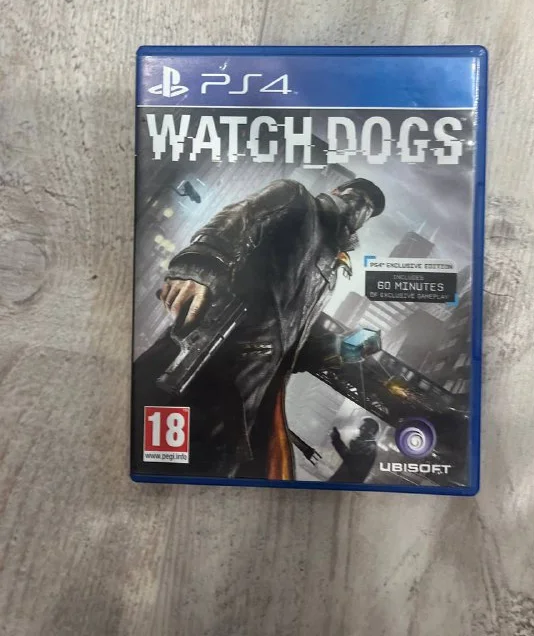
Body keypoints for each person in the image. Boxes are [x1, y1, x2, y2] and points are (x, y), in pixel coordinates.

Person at [132, 177, 385, 480]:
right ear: (337, 191)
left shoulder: (330, 275)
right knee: (137, 451)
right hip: (200, 360)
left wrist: (340, 347)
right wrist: (200, 266)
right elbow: (239, 218)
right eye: (358, 198)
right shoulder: (298, 199)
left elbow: (287, 349)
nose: (361, 210)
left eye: (369, 211)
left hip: (244, 408)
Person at [329, 418, 380, 483]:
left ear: (371, 431)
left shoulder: (370, 447)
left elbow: (349, 458)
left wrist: (336, 439)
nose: (360, 428)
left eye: (364, 426)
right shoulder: (366, 445)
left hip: (346, 483)